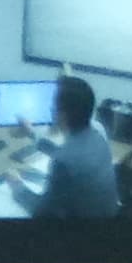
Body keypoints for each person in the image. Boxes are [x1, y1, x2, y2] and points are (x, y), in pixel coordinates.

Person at [31, 73, 120, 218]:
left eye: (53, 106)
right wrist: (36, 137)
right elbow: (73, 155)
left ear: (63, 115)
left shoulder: (62, 161)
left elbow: (42, 213)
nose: (50, 109)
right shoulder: (98, 137)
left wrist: (17, 189)